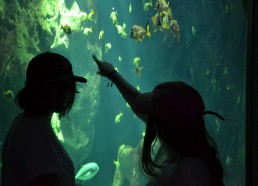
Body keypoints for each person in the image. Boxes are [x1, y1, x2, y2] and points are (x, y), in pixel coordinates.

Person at [93, 55, 225, 186]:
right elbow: (138, 102)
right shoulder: (201, 159)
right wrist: (112, 75)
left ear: (164, 127)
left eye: (154, 119)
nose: (150, 122)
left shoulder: (181, 174)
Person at [1, 52, 87, 186]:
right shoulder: (33, 132)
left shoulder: (28, 124)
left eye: (67, 84)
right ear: (38, 87)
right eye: (56, 85)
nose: (64, 91)